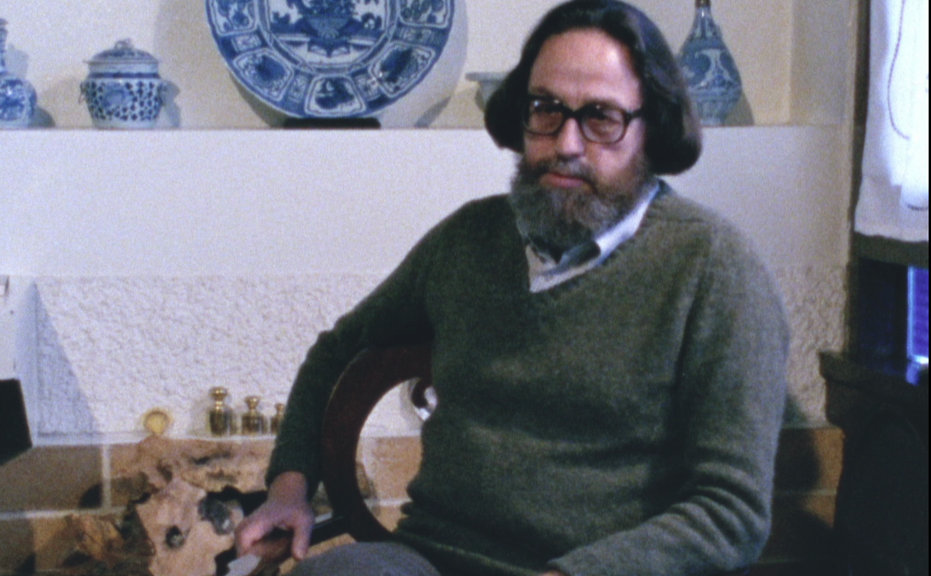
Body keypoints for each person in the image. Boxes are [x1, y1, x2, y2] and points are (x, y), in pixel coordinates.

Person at [235, 0, 790, 574]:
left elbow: (731, 511)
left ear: (653, 128)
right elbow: (336, 354)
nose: (566, 144)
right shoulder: (468, 239)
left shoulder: (713, 267)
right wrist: (288, 487)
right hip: (433, 559)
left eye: (602, 117)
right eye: (546, 109)